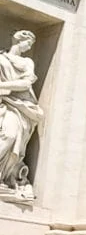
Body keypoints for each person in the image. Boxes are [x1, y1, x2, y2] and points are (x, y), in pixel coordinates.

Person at [0, 29, 44, 195]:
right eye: (28, 42)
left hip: (20, 106)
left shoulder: (27, 62)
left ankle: (4, 175)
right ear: (19, 39)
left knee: (11, 136)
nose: (29, 46)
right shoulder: (1, 58)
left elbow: (25, 84)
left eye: (32, 44)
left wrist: (2, 87)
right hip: (3, 103)